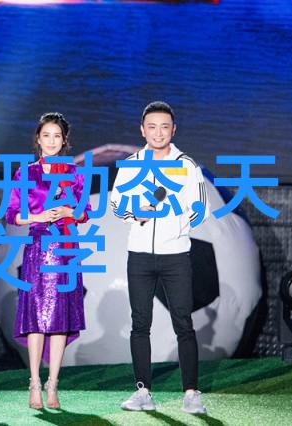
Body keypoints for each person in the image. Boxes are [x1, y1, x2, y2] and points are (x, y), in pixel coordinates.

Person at [110, 101, 209, 414]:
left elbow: (201, 210)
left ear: (173, 130)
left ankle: (191, 393)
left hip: (175, 255)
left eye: (164, 126)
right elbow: (116, 205)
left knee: (184, 323)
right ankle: (143, 392)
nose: (158, 132)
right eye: (152, 127)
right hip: (139, 255)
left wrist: (175, 223)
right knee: (140, 324)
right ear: (142, 130)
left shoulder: (187, 165)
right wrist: (135, 212)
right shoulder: (131, 165)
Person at [6, 112, 91, 410]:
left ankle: (53, 383)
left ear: (64, 140)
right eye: (46, 136)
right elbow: (12, 214)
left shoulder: (76, 173)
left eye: (57, 136)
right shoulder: (26, 173)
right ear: (38, 139)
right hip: (38, 249)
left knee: (59, 320)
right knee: (36, 318)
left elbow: (85, 212)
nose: (52, 141)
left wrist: (69, 212)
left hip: (66, 248)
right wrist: (38, 216)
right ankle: (34, 382)